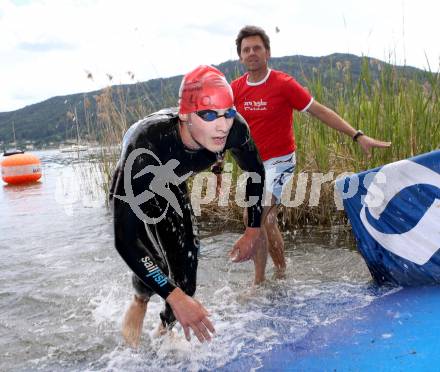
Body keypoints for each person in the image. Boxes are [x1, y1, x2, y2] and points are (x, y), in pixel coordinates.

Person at [109, 65, 266, 347]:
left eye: (227, 113)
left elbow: (255, 172)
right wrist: (176, 297)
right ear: (185, 115)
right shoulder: (147, 145)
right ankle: (139, 300)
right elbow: (125, 240)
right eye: (208, 115)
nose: (221, 125)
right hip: (138, 183)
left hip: (171, 183)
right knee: (154, 269)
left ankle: (163, 332)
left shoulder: (233, 130)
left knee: (187, 267)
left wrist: (253, 229)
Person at [227, 25, 391, 284]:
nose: (252, 53)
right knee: (263, 220)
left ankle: (263, 281)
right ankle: (278, 274)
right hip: (254, 166)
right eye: (246, 50)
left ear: (267, 52)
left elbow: (319, 110)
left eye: (257, 48)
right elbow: (222, 126)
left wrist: (357, 135)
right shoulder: (235, 90)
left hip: (280, 161)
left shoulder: (283, 84)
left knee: (256, 216)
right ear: (240, 57)